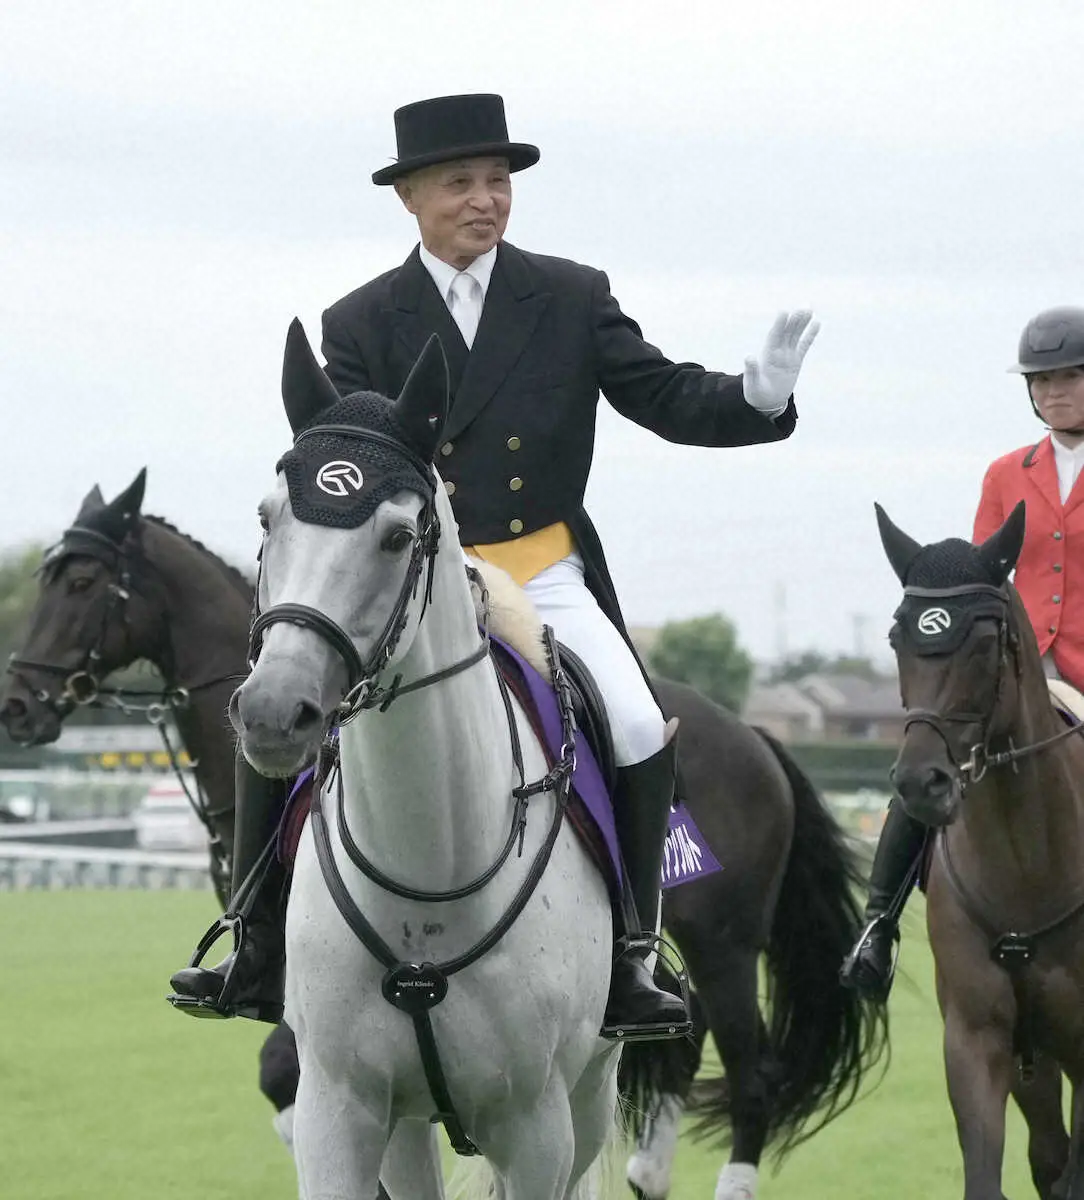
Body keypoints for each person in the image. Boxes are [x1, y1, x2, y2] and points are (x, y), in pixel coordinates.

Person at [170, 92, 819, 1039]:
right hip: (408, 579)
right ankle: (258, 941)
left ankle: (635, 954)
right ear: (411, 198)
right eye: (461, 183)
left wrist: (755, 398)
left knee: (636, 721)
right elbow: (349, 471)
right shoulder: (358, 321)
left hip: (543, 571)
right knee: (284, 701)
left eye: (498, 182)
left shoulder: (568, 294)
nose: (485, 199)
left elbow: (663, 394)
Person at [841, 305, 1084, 1002]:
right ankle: (878, 926)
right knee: (932, 756)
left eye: (1068, 377)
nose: (1052, 391)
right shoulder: (1007, 473)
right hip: (1018, 665)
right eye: (1041, 380)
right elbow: (983, 578)